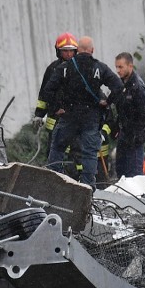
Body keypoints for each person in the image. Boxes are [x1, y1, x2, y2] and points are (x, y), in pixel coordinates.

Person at [40, 36, 124, 187]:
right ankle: (87, 187)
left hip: (69, 116)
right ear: (92, 50)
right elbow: (118, 86)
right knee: (90, 153)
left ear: (77, 50)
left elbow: (48, 90)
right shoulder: (100, 68)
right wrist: (107, 102)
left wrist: (57, 107)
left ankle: (55, 180)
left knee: (58, 146)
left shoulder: (65, 68)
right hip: (91, 117)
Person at [32, 32, 84, 177]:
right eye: (64, 51)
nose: (68, 54)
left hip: (75, 122)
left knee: (76, 156)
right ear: (58, 51)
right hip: (54, 122)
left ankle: (79, 184)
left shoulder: (83, 69)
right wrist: (38, 115)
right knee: (54, 156)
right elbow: (44, 95)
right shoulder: (52, 69)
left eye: (71, 51)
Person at [107, 52, 145, 178]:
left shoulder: (137, 87)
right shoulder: (120, 84)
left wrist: (138, 135)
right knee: (121, 171)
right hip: (123, 133)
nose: (117, 70)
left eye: (120, 67)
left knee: (135, 174)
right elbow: (112, 102)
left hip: (135, 136)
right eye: (116, 67)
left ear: (130, 66)